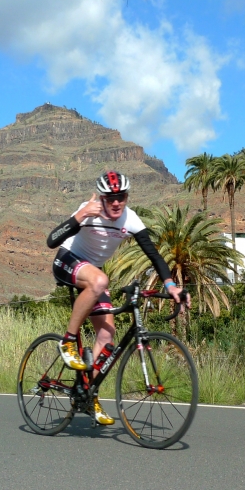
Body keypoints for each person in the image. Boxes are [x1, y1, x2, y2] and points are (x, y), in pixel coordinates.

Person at [46, 170, 190, 425]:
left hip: (93, 274)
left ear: (127, 197)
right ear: (102, 198)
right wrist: (81, 215)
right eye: (110, 198)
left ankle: (88, 394)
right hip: (67, 261)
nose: (116, 203)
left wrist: (170, 285)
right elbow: (51, 241)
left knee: (107, 336)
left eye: (121, 197)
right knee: (101, 280)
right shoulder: (88, 211)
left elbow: (154, 255)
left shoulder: (130, 219)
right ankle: (68, 342)